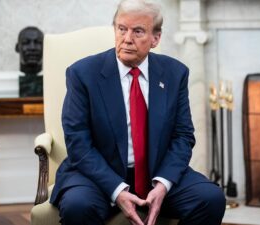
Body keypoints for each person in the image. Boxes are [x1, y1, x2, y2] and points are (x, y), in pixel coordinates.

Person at [50, 0, 226, 225]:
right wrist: (117, 189)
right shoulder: (83, 74)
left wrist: (163, 184)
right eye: (122, 29)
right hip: (97, 175)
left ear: (156, 38)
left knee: (210, 199)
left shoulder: (174, 73)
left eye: (138, 31)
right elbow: (78, 143)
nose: (127, 39)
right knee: (78, 206)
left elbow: (183, 136)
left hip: (156, 171)